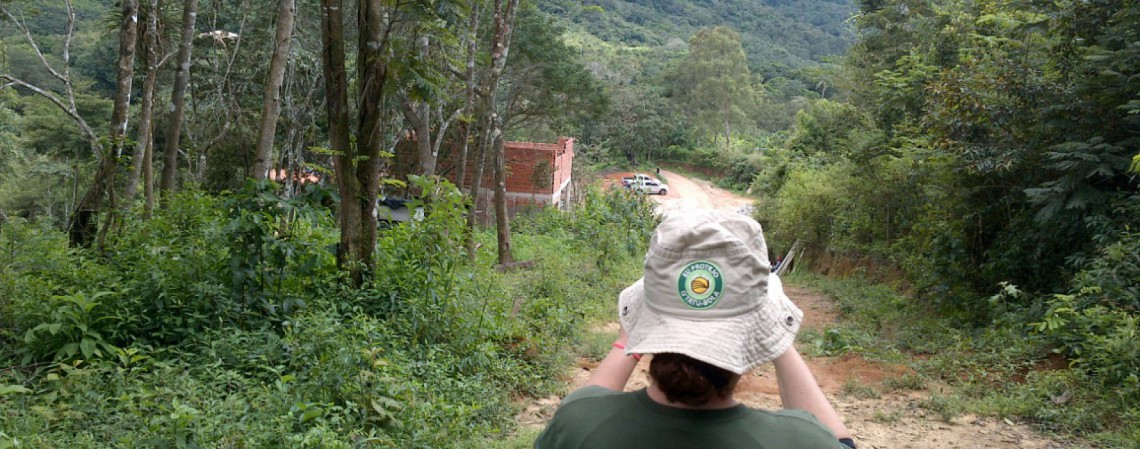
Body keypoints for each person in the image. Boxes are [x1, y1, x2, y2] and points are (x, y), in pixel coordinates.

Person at [534, 210, 855, 449]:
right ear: (757, 328)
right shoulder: (802, 440)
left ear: (650, 323)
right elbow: (842, 443)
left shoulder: (577, 426)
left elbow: (584, 404)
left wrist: (627, 338)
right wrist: (778, 339)